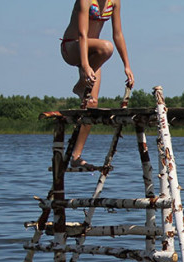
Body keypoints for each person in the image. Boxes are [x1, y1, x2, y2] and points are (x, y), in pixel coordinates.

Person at [60, 0, 134, 169]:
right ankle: (81, 83)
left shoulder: (114, 2)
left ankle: (76, 156)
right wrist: (85, 66)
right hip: (73, 47)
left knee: (91, 104)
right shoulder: (85, 1)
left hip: (93, 51)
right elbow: (82, 35)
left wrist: (127, 66)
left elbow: (118, 34)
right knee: (106, 48)